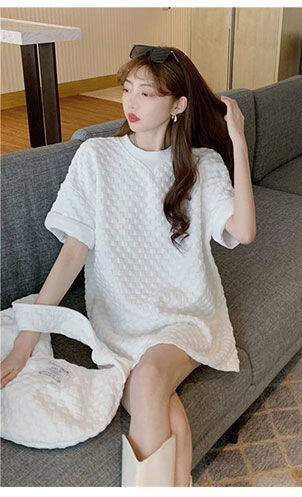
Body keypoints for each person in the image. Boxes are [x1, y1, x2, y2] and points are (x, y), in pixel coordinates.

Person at [0, 45, 256, 487]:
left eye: (147, 93)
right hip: (118, 320)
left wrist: (239, 142)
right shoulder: (96, 157)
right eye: (127, 89)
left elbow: (245, 231)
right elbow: (72, 254)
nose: (131, 103)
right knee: (173, 422)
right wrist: (25, 342)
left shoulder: (203, 164)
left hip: (185, 314)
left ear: (178, 106)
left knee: (149, 379)